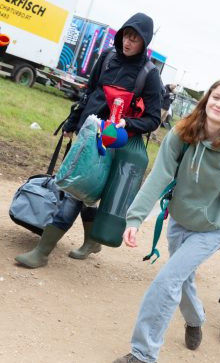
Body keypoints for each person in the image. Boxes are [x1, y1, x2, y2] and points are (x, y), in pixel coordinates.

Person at [112, 78, 220, 363]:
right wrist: (135, 217)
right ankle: (195, 319)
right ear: (207, 99)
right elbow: (160, 175)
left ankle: (144, 353)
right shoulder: (183, 133)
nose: (219, 104)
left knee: (167, 280)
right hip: (181, 218)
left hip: (214, 225)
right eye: (216, 97)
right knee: (181, 278)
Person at [15, 13, 163, 269]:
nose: (128, 42)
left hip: (111, 146)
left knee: (73, 191)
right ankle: (91, 242)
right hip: (86, 137)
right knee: (86, 193)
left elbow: (152, 119)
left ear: (145, 42)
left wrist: (126, 123)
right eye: (127, 35)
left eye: (135, 39)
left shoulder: (149, 74)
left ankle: (42, 251)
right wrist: (72, 123)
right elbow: (90, 93)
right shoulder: (107, 57)